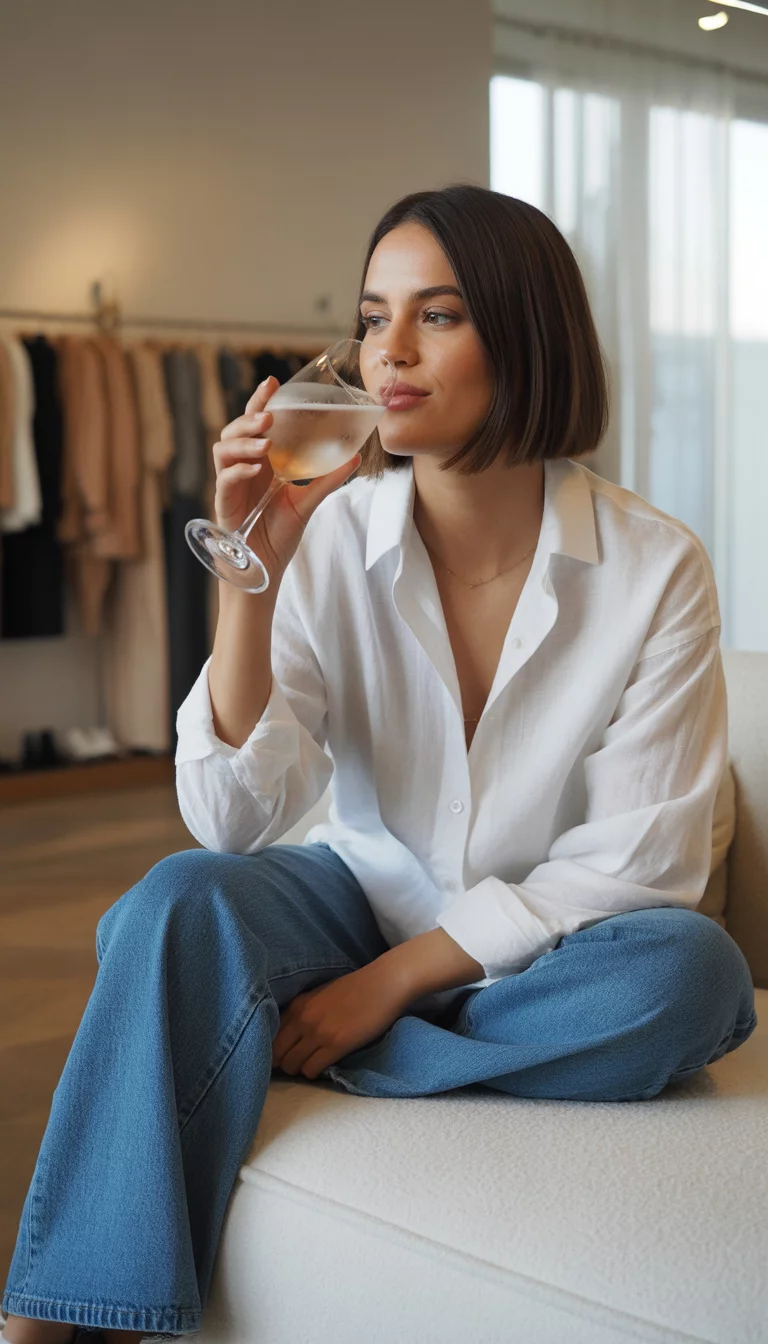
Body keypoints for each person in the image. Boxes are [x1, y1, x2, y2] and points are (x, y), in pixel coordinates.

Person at [2, 184, 757, 1344]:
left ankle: (288, 1039)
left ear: (529, 333)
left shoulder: (658, 568)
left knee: (692, 977)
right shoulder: (333, 531)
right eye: (372, 317)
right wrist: (250, 571)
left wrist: (382, 991)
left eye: (438, 317)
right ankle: (53, 1322)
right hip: (353, 896)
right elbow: (232, 821)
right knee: (172, 904)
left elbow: (640, 861)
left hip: (546, 949)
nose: (388, 352)